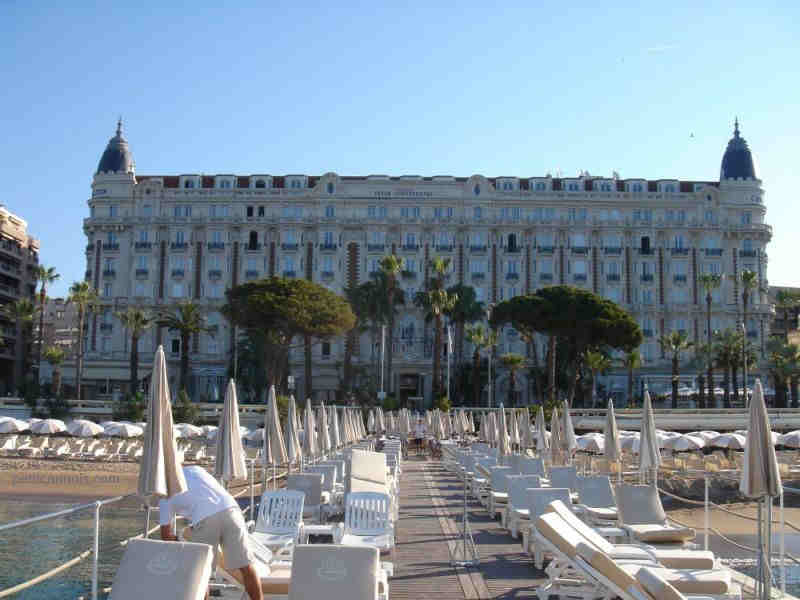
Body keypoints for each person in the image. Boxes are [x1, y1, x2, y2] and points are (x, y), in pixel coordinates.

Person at [160, 465, 263, 600]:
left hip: (205, 518)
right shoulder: (195, 469)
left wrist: (180, 543)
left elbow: (166, 536)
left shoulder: (164, 495)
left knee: (201, 574)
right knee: (246, 566)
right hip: (231, 509)